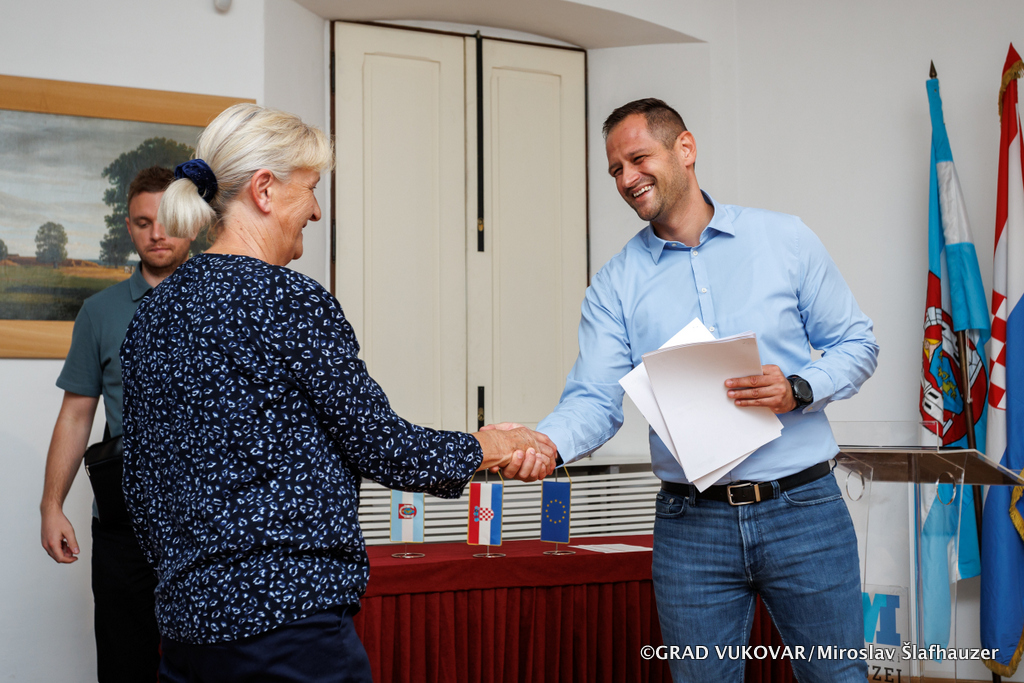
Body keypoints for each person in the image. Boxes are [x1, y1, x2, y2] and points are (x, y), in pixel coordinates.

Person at [119, 103, 555, 683]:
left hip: (186, 630)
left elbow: (140, 480)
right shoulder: (289, 300)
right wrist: (491, 446)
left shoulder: (153, 314)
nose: (317, 210)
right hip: (286, 625)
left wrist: (192, 582)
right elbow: (381, 445)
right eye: (311, 189)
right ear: (265, 190)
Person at [532, 98, 880, 681]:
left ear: (686, 149)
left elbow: (857, 343)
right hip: (691, 525)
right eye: (615, 169)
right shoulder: (615, 285)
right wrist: (544, 444)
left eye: (638, 158)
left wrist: (799, 387)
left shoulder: (785, 240)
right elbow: (593, 400)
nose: (626, 179)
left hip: (805, 511)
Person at [39, 166, 194, 682]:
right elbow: (76, 413)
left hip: (209, 520)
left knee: (212, 663)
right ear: (128, 227)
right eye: (143, 222)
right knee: (125, 664)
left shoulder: (224, 304)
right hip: (124, 522)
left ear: (192, 222)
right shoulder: (99, 312)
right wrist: (51, 505)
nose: (157, 234)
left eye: (167, 220)